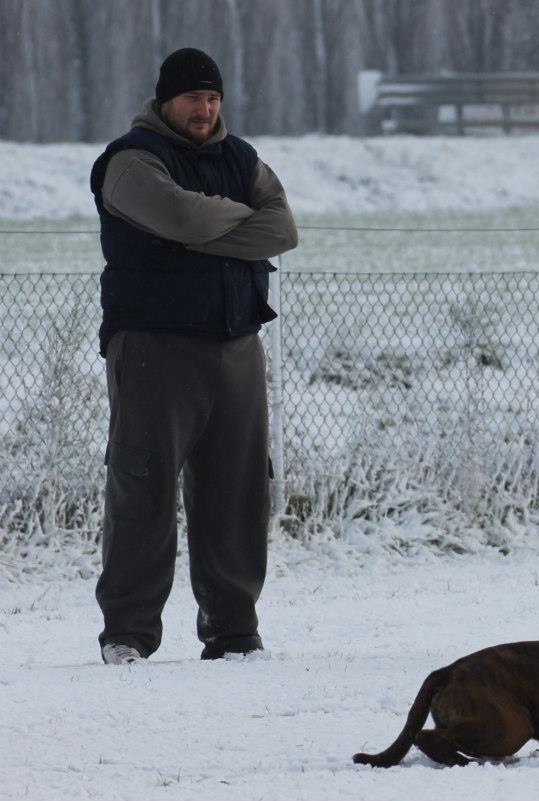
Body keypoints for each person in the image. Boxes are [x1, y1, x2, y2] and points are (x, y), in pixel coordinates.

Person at [90, 48, 298, 664]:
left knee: (238, 492)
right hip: (154, 345)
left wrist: (197, 235)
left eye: (212, 99)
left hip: (236, 346)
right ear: (165, 101)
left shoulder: (241, 157)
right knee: (142, 487)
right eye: (192, 99)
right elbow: (177, 212)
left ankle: (234, 631)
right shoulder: (131, 160)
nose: (204, 110)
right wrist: (225, 225)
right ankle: (128, 633)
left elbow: (282, 227)